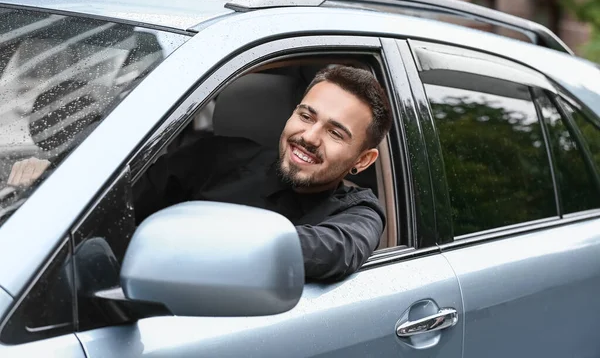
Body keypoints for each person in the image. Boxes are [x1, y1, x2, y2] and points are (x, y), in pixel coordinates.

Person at [9, 65, 393, 281]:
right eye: (306, 115)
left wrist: (200, 240)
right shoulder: (218, 156)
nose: (308, 137)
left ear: (363, 160)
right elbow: (123, 198)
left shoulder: (358, 213)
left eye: (335, 132)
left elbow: (330, 251)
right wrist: (58, 179)